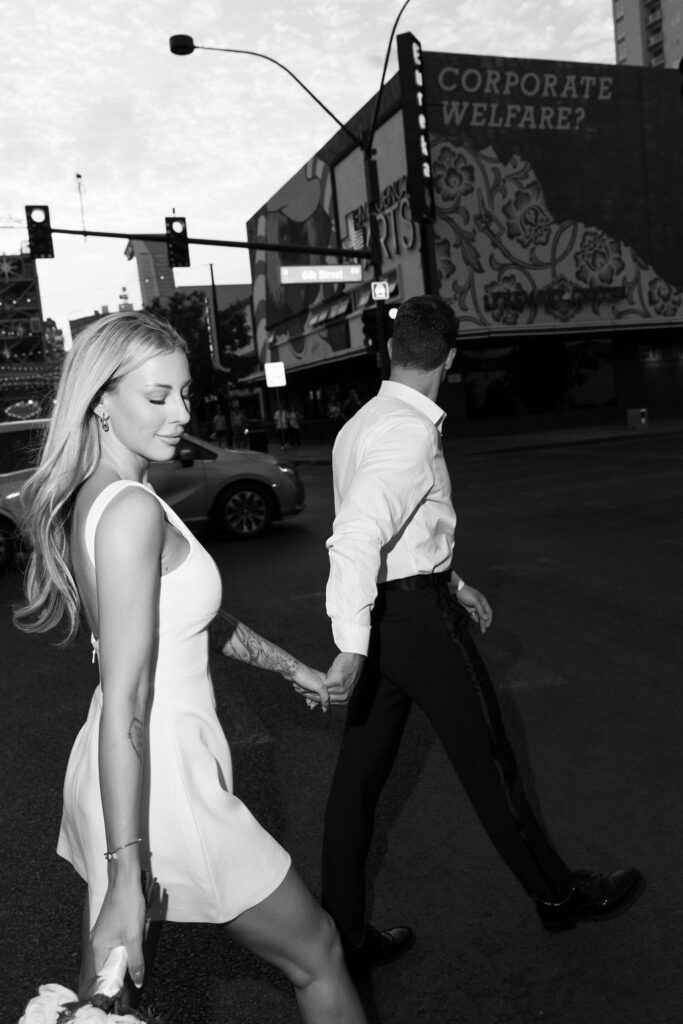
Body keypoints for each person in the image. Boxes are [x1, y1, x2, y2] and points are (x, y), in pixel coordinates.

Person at [14, 311, 367, 1024]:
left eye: (184, 394)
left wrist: (288, 666)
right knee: (318, 953)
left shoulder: (104, 496)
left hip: (117, 774)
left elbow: (187, 619)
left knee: (103, 1001)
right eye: (157, 397)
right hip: (159, 781)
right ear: (100, 403)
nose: (180, 413)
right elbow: (129, 699)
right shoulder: (132, 512)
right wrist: (124, 874)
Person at [321, 295, 642, 967]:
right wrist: (350, 644)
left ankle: (342, 934)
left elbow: (400, 530)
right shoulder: (408, 433)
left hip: (392, 610)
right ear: (451, 359)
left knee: (355, 784)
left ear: (390, 352)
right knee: (489, 764)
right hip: (409, 622)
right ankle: (558, 895)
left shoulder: (360, 425)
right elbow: (355, 536)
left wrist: (453, 580)